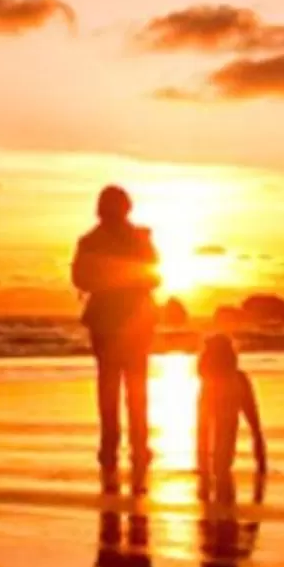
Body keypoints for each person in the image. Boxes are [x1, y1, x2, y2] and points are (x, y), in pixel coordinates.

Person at [72, 185, 159, 476]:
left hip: (112, 318)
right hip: (134, 317)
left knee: (111, 385)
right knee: (135, 385)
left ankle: (113, 445)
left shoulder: (91, 240)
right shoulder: (138, 238)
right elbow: (154, 276)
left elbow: (80, 280)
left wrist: (107, 281)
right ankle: (137, 444)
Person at [194, 333, 268, 500]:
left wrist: (202, 467)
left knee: (221, 455)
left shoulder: (213, 383)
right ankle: (221, 473)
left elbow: (202, 432)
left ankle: (217, 474)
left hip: (228, 398)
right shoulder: (229, 380)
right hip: (229, 400)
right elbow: (255, 426)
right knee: (224, 453)